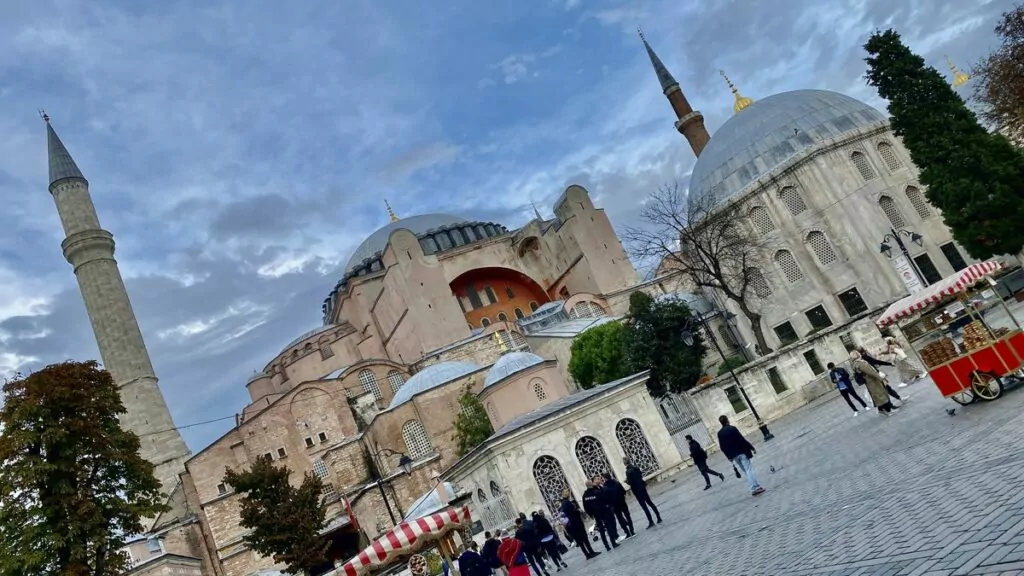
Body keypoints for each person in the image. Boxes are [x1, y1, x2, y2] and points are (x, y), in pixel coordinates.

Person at [716, 415, 766, 496]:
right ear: (727, 420)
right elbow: (741, 439)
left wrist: (729, 457)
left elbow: (722, 447)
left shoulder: (720, 433)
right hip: (741, 452)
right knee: (749, 470)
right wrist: (751, 447)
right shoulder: (732, 428)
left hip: (734, 456)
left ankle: (756, 486)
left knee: (746, 471)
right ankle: (754, 488)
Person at [851, 350, 899, 415]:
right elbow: (871, 372)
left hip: (869, 381)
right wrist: (881, 379)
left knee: (878, 395)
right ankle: (888, 410)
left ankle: (882, 409)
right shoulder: (861, 363)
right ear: (856, 355)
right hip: (873, 381)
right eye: (858, 353)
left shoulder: (855, 364)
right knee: (881, 394)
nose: (859, 353)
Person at [558, 490, 599, 560]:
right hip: (576, 524)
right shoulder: (567, 503)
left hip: (573, 525)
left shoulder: (564, 503)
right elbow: (573, 511)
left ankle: (587, 554)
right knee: (584, 539)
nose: (569, 493)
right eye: (567, 492)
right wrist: (577, 510)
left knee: (580, 541)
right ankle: (590, 552)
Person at [623, 457, 662, 528]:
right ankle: (658, 517)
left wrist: (626, 481)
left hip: (637, 490)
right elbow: (640, 476)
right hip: (642, 487)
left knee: (644, 506)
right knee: (650, 502)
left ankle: (651, 521)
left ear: (625, 463)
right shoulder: (636, 467)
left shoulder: (628, 472)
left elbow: (630, 482)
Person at [582, 478, 619, 550]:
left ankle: (607, 546)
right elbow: (605, 501)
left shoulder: (585, 495)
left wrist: (591, 514)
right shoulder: (597, 492)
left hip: (596, 514)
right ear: (591, 484)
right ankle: (613, 543)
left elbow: (585, 506)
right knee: (608, 527)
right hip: (603, 512)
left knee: (601, 530)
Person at [599, 472, 634, 538]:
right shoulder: (616, 482)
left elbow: (606, 498)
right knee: (627, 516)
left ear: (605, 478)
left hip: (615, 505)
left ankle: (627, 532)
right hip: (622, 502)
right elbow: (624, 491)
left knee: (620, 518)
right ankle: (632, 530)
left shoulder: (605, 487)